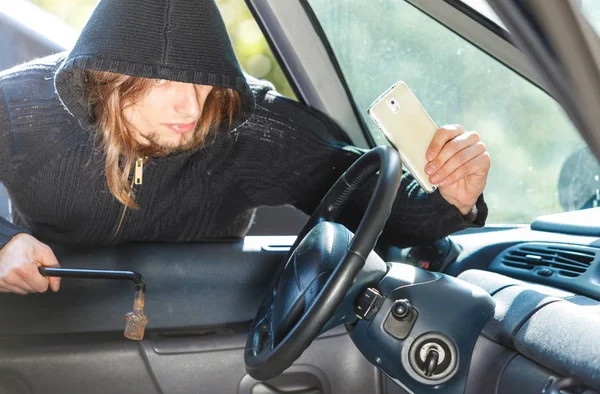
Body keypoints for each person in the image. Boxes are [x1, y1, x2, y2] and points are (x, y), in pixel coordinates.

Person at [0, 0, 490, 295]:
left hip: (198, 330)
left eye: (204, 81)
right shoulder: (21, 105)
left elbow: (367, 198)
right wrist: (4, 243)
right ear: (110, 77)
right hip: (56, 322)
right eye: (166, 81)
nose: (191, 106)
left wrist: (452, 199)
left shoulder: (249, 125)